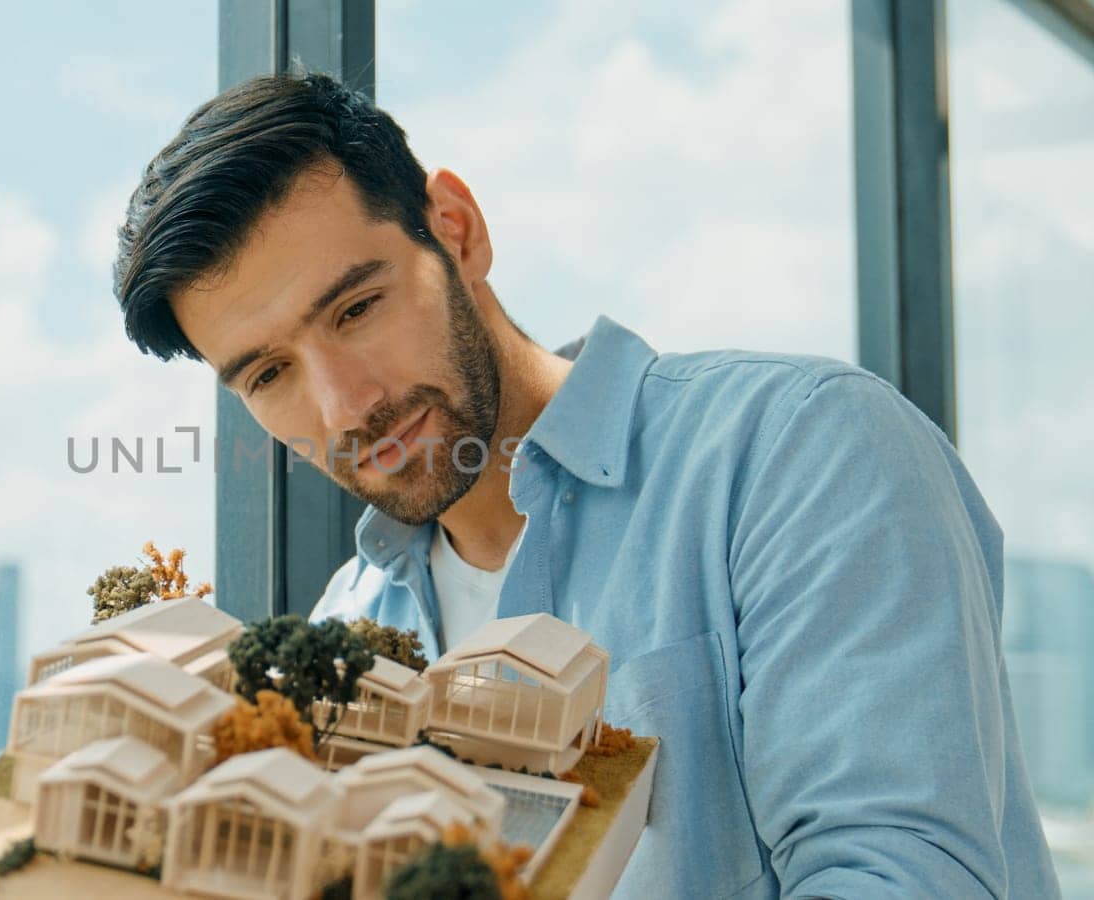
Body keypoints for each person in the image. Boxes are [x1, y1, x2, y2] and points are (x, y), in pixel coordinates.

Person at [110, 71, 1059, 898]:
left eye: (358, 307)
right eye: (269, 374)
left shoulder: (797, 450)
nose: (344, 403)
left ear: (457, 229)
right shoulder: (343, 636)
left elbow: (900, 877)